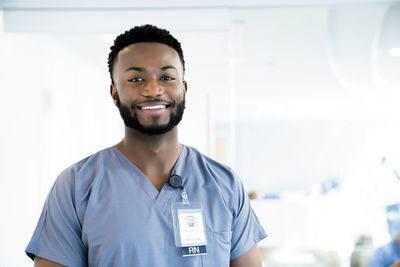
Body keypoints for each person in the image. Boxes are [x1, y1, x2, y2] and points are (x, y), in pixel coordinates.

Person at [25, 24, 267, 267]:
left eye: (167, 77)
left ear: (183, 89)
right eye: (136, 79)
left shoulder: (224, 185)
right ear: (114, 93)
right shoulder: (76, 186)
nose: (153, 89)